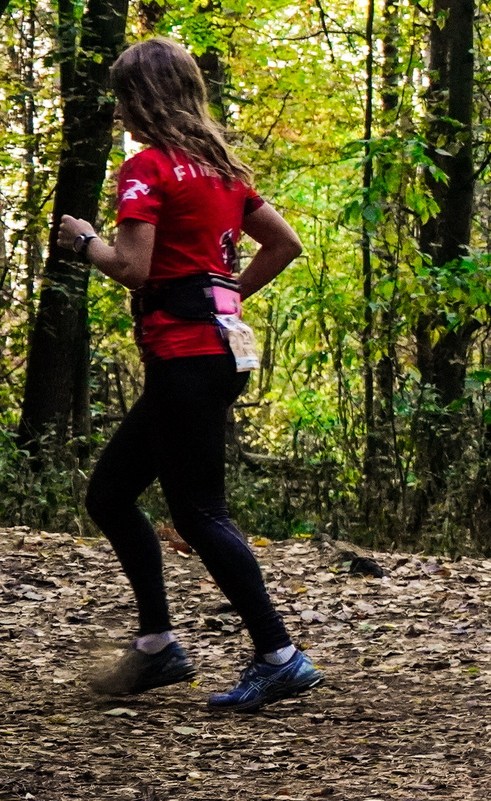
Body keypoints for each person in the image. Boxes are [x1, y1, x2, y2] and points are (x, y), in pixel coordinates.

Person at [64, 37, 323, 709]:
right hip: (222, 349)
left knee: (199, 510)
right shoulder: (220, 168)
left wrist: (84, 239)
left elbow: (133, 267)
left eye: (124, 94)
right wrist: (226, 290)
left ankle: (279, 653)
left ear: (140, 98)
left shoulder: (148, 168)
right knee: (112, 494)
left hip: (185, 354)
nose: (120, 108)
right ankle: (157, 646)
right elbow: (286, 243)